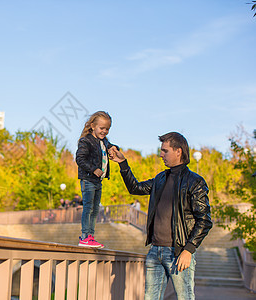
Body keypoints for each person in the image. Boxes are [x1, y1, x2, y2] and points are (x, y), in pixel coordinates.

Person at [108, 132, 213, 300]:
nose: (161, 155)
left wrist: (189, 250)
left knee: (185, 297)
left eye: (165, 151)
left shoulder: (195, 181)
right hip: (155, 251)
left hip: (179, 253)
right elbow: (135, 188)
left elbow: (205, 221)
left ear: (178, 151)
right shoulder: (160, 179)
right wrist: (122, 163)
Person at [76, 111, 117, 248]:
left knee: (95, 209)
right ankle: (84, 236)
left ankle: (91, 236)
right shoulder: (86, 141)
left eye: (107, 129)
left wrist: (113, 148)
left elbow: (111, 145)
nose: (104, 131)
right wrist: (93, 169)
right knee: (88, 208)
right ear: (93, 126)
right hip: (88, 180)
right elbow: (80, 159)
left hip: (98, 181)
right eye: (102, 128)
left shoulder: (103, 141)